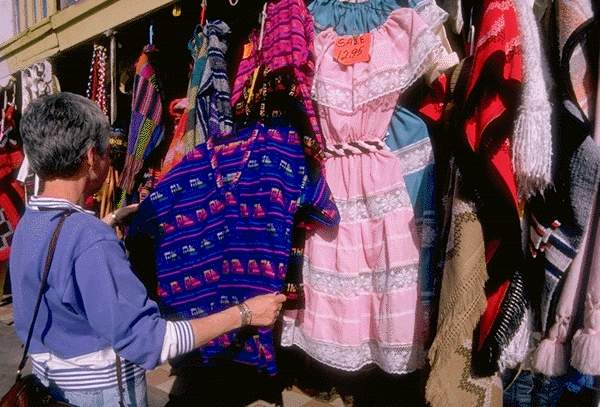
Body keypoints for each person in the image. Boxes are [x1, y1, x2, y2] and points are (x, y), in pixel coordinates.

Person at [9, 92, 286, 406]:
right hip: (101, 395)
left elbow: (62, 273)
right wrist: (245, 313)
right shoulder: (89, 240)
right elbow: (150, 342)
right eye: (107, 151)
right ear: (90, 157)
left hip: (50, 383)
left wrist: (110, 221)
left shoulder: (30, 223)